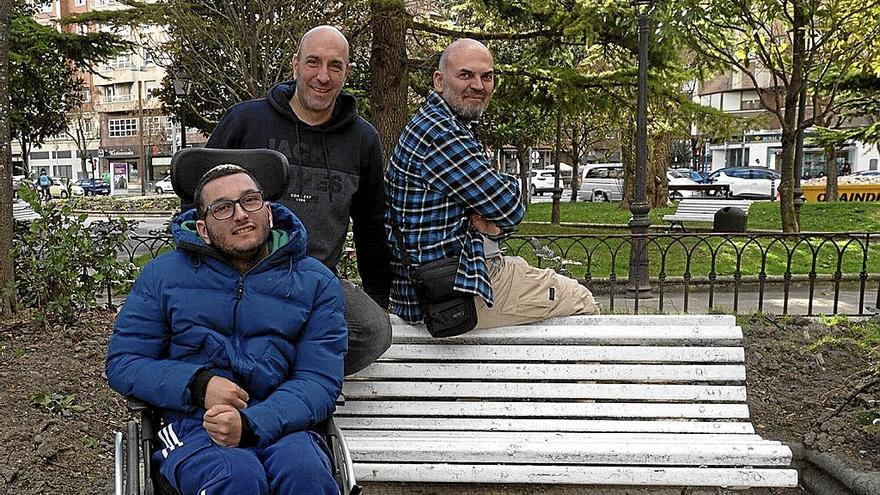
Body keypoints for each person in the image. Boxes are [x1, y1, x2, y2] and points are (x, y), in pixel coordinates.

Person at [106, 165, 345, 495]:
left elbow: (319, 379)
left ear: (269, 213)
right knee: (236, 478)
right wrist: (198, 385)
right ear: (203, 229)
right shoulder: (162, 277)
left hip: (284, 419)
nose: (240, 215)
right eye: (223, 207)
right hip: (192, 422)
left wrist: (251, 424)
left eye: (250, 200)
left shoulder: (315, 283)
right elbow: (124, 362)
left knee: (307, 476)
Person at [206, 25, 391, 375]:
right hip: (242, 276)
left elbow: (371, 226)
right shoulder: (246, 122)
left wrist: (377, 296)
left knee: (374, 331)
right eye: (313, 62)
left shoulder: (362, 139)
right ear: (295, 65)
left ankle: (271, 372)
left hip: (315, 281)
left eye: (335, 66)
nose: (323, 76)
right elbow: (199, 199)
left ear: (346, 72)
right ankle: (286, 378)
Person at [385, 39, 599, 328]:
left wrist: (490, 219)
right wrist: (498, 204)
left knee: (529, 275)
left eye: (487, 76)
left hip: (443, 282)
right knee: (580, 298)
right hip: (455, 294)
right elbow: (511, 207)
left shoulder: (438, 122)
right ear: (439, 80)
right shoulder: (441, 134)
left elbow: (498, 211)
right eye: (465, 75)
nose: (478, 85)